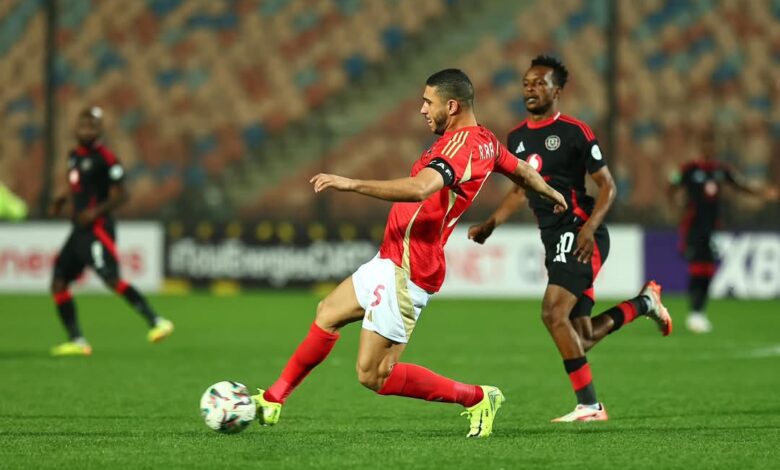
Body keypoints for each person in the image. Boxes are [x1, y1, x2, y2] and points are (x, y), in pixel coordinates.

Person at [252, 69, 568, 438]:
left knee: (373, 374)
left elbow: (421, 189)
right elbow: (523, 171)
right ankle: (273, 399)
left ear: (452, 106)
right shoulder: (485, 142)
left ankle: (478, 398)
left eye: (428, 102)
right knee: (327, 313)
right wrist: (553, 194)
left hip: (409, 266)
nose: (422, 109)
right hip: (391, 255)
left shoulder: (463, 147)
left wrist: (352, 184)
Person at [468, 56, 672, 422]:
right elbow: (519, 191)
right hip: (553, 239)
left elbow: (608, 186)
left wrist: (589, 228)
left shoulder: (575, 132)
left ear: (557, 91)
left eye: (539, 83)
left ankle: (590, 405)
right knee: (582, 335)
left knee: (552, 312)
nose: (530, 89)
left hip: (578, 232)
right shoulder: (516, 138)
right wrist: (491, 223)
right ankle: (644, 303)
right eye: (526, 83)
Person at [48, 106, 173, 356]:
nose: (87, 131)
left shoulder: (106, 158)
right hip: (79, 230)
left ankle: (157, 321)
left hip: (98, 229)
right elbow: (77, 185)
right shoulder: (74, 156)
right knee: (59, 281)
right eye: (84, 126)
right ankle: (77, 340)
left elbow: (123, 194)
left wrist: (94, 213)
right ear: (76, 128)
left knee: (110, 278)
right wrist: (62, 199)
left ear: (100, 130)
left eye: (92, 126)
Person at [668, 130, 778, 333]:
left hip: (712, 228)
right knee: (697, 268)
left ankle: (698, 313)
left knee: (708, 270)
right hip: (693, 227)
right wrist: (675, 206)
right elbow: (672, 185)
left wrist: (763, 193)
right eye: (705, 145)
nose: (709, 149)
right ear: (700, 147)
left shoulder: (720, 170)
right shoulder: (689, 169)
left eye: (712, 145)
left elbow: (740, 185)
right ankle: (695, 312)